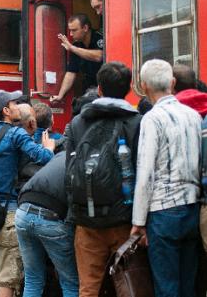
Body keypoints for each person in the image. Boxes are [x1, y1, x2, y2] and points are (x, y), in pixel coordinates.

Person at [0, 90, 55, 297]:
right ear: (6, 110)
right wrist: (49, 148)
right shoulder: (15, 134)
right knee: (7, 280)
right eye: (14, 103)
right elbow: (41, 157)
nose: (17, 106)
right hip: (8, 214)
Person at [64, 62, 141, 297]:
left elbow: (69, 168)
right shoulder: (136, 122)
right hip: (124, 220)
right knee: (128, 284)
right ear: (129, 88)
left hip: (86, 219)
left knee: (88, 288)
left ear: (99, 89)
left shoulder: (78, 122)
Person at [131, 59, 202, 296]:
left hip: (162, 212)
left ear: (143, 86)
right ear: (172, 83)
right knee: (188, 284)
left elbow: (145, 174)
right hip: (192, 208)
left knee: (167, 286)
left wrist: (138, 222)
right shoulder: (194, 116)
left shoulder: (152, 119)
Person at [15, 151, 79, 297]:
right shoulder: (85, 161)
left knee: (32, 279)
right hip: (51, 217)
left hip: (22, 212)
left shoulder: (62, 154)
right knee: (70, 283)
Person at [50, 14, 104, 103]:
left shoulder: (100, 37)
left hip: (104, 89)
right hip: (89, 90)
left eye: (74, 30)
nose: (71, 34)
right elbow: (71, 72)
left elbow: (99, 56)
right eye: (70, 30)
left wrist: (72, 48)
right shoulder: (76, 45)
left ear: (85, 28)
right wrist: (60, 95)